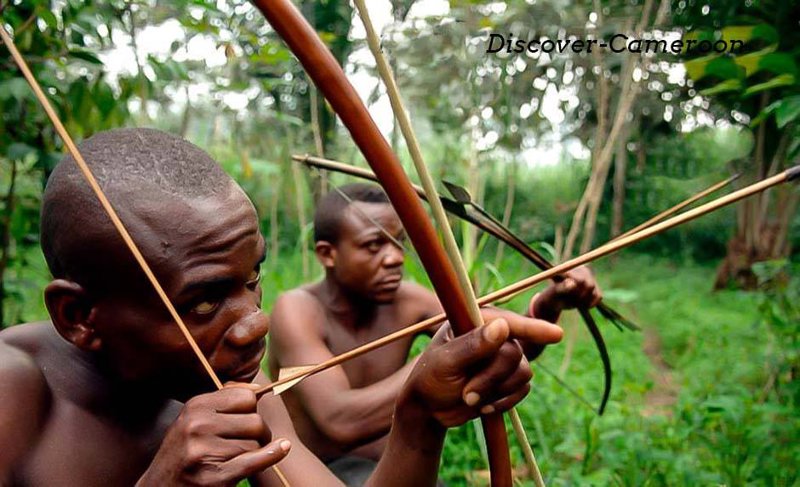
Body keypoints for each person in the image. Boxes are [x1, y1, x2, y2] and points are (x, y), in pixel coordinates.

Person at [0, 128, 566, 486]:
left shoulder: (230, 388)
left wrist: (418, 416)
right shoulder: (14, 393)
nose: (254, 323)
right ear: (79, 317)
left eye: (253, 279)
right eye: (202, 301)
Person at [268, 183, 603, 485]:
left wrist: (550, 302)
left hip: (400, 466)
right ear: (328, 254)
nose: (395, 258)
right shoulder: (297, 310)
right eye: (374, 246)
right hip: (319, 473)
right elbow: (340, 420)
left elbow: (502, 343)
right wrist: (431, 369)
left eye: (398, 243)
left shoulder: (407, 300)